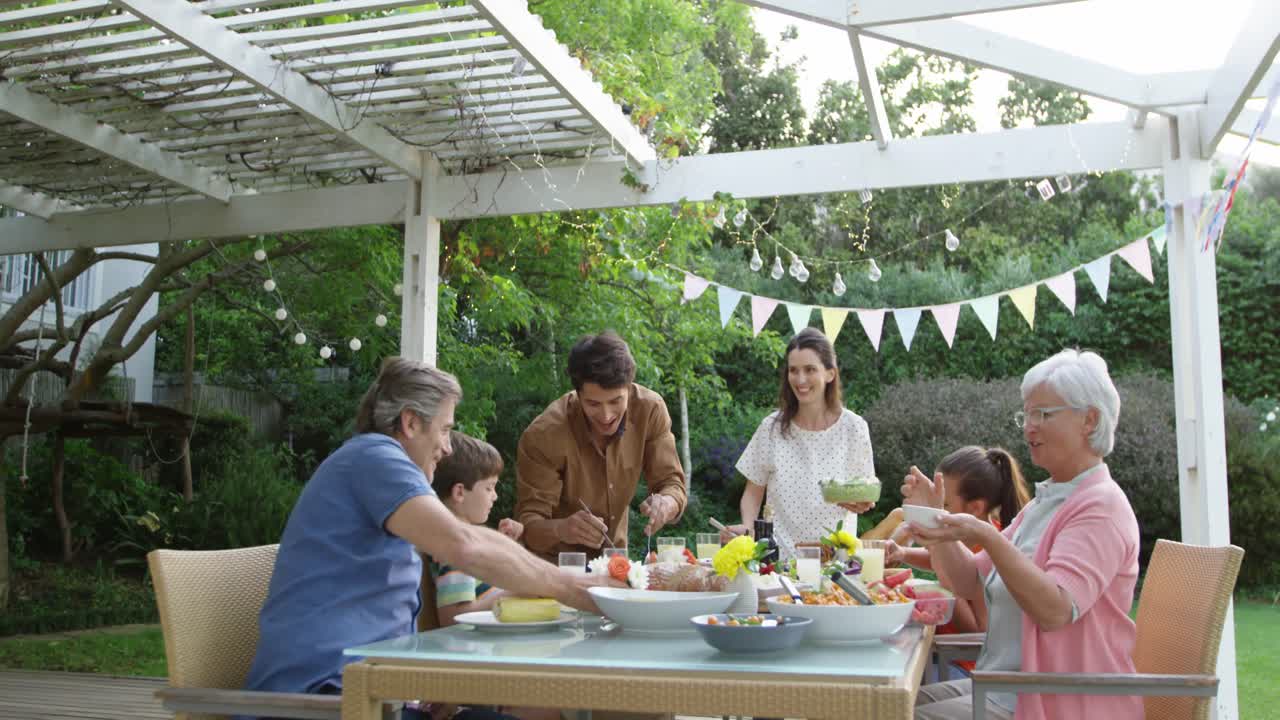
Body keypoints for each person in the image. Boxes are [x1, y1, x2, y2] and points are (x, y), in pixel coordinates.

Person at [243, 357, 602, 714]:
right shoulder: (376, 458)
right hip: (323, 698)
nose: (448, 447)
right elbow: (465, 545)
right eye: (445, 430)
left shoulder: (371, 464)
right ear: (411, 422)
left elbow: (469, 535)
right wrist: (579, 590)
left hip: (367, 691)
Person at [901, 350, 1142, 720]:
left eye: (1043, 414)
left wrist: (990, 537)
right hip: (1004, 689)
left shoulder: (1101, 508)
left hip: (1054, 701)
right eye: (1026, 414)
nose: (1029, 427)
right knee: (884, 705)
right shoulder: (1048, 500)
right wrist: (935, 522)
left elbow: (1055, 610)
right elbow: (968, 581)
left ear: (1089, 420)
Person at [516, 331, 686, 560]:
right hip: (554, 566)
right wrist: (562, 529)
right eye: (593, 404)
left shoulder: (650, 410)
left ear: (629, 388)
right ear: (578, 394)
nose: (606, 416)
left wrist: (667, 503)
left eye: (616, 401)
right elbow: (528, 525)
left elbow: (672, 483)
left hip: (615, 562)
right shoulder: (544, 434)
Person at [720, 327, 877, 558]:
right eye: (793, 370)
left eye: (810, 369)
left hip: (834, 563)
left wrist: (862, 502)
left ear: (830, 374)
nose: (800, 379)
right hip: (778, 563)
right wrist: (748, 529)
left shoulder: (854, 427)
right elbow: (752, 494)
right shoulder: (771, 427)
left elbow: (865, 489)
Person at [892, 446, 1032, 640]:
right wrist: (903, 553)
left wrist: (944, 583)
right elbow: (936, 558)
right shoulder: (961, 538)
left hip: (958, 653)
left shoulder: (993, 551)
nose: (939, 511)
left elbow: (977, 630)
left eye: (944, 504)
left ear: (975, 508)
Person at [428, 431, 522, 626]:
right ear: (460, 492)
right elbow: (452, 618)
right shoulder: (455, 547)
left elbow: (482, 586)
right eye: (489, 488)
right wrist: (517, 591)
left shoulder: (461, 541)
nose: (495, 496)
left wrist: (501, 545)